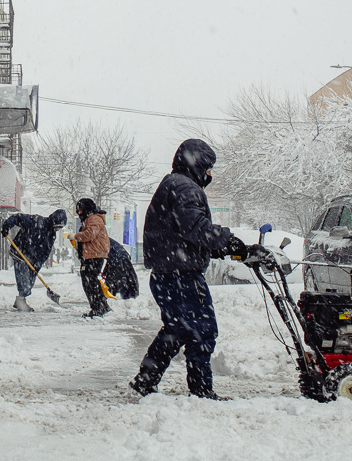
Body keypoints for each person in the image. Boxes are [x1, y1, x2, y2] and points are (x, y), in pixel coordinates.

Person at [129, 138, 247, 400]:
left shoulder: (174, 184)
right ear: (197, 163)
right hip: (181, 276)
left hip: (168, 273)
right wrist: (228, 240)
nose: (209, 174)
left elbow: (182, 233)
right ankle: (201, 391)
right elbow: (196, 227)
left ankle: (146, 380)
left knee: (176, 329)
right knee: (202, 330)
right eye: (208, 168)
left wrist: (222, 248)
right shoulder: (185, 188)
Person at [1, 209, 68, 311]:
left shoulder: (51, 235)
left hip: (32, 258)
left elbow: (46, 252)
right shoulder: (36, 221)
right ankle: (21, 301)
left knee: (31, 278)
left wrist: (38, 264)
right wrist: (6, 226)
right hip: (20, 251)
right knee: (24, 278)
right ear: (54, 222)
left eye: (60, 228)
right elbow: (17, 218)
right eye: (58, 226)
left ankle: (20, 299)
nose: (58, 229)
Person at [71, 198, 112, 318]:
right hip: (92, 254)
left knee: (90, 282)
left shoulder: (94, 219)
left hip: (95, 255)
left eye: (80, 210)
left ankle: (98, 307)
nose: (79, 213)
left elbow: (90, 234)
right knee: (90, 281)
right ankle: (101, 306)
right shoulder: (91, 219)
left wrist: (75, 236)